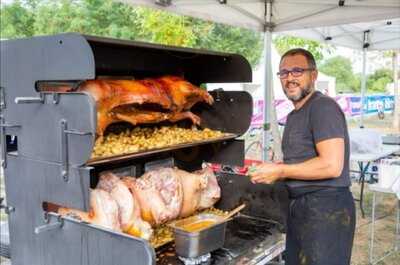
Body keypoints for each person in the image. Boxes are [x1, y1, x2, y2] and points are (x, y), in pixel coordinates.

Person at [248, 48, 355, 265]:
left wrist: (281, 170)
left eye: (297, 71)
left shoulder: (323, 107)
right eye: (284, 73)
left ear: (313, 75)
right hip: (303, 209)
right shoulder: (295, 115)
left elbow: (332, 165)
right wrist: (277, 167)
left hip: (327, 212)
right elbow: (302, 162)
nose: (289, 78)